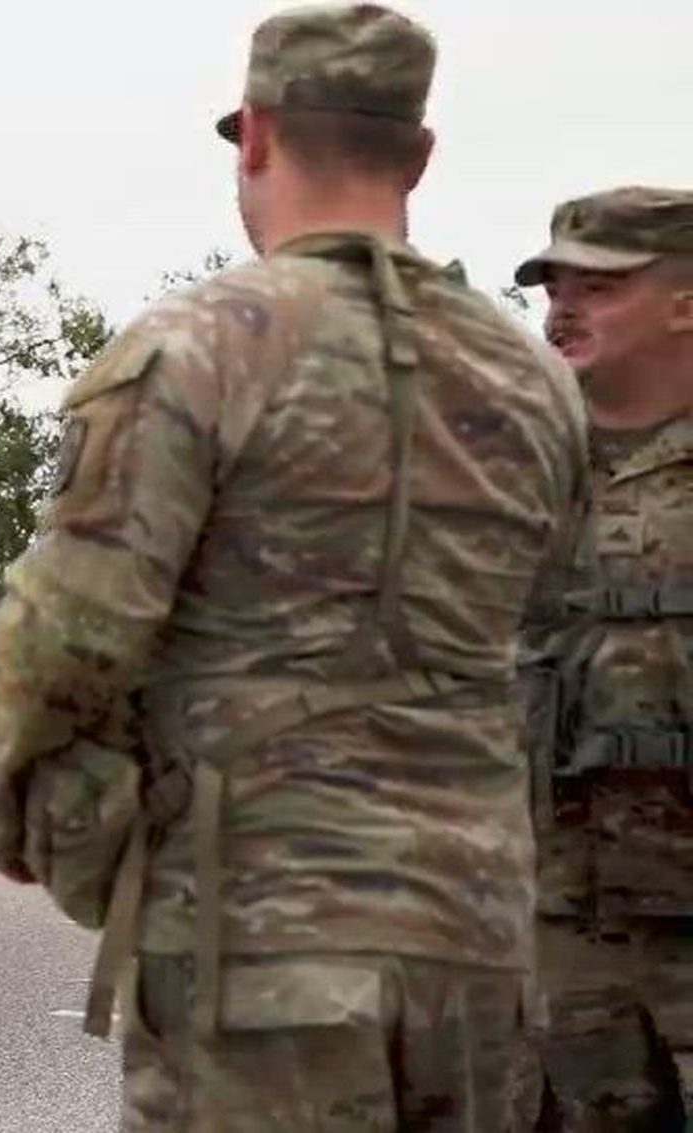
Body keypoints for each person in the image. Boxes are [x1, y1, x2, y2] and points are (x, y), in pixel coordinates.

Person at [0, 3, 592, 1128]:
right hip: (478, 943)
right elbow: (552, 632)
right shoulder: (531, 379)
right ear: (418, 153)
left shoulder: (201, 345)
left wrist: (34, 819)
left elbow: (71, 630)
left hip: (258, 941)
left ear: (254, 136)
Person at [513, 185, 693, 1130]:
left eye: (601, 285)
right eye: (553, 286)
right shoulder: (516, 473)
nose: (562, 309)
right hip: (564, 937)